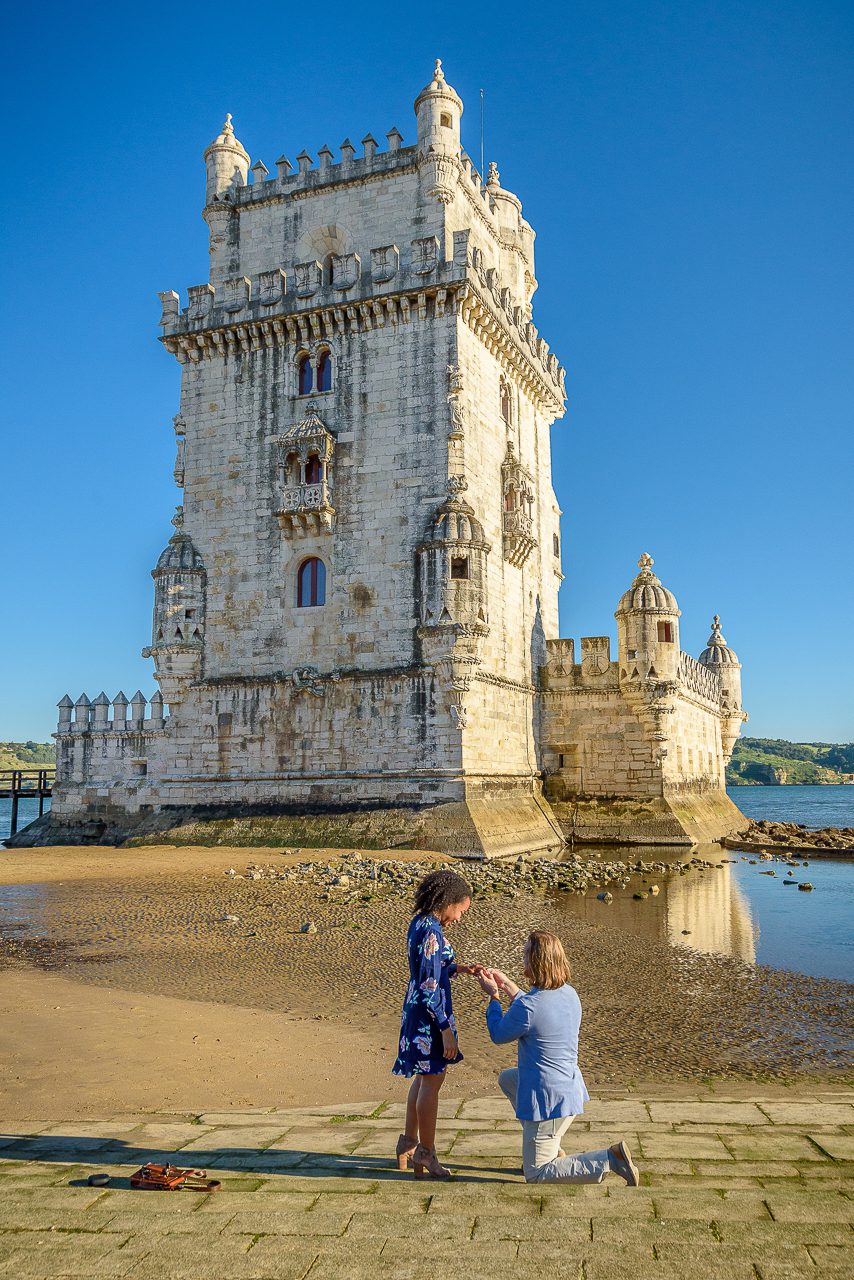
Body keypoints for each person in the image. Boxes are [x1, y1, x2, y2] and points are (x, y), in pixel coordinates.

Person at [478, 931, 639, 1186]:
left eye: (525, 955)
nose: (522, 959)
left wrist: (494, 996)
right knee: (509, 1079)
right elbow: (535, 1010)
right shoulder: (569, 994)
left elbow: (499, 1034)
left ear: (537, 961)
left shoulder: (529, 1007)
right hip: (568, 1089)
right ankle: (549, 1145)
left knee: (536, 1174)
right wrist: (508, 985)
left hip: (547, 1103)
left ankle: (610, 1158)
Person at [392, 868, 480, 1179]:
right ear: (448, 901)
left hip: (416, 1011)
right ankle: (425, 1153)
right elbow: (430, 986)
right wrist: (445, 1029)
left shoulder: (421, 922)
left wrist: (461, 969)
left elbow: (431, 968)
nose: (459, 918)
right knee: (432, 1080)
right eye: (460, 910)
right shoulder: (432, 932)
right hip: (430, 1018)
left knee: (423, 1077)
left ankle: (408, 1143)